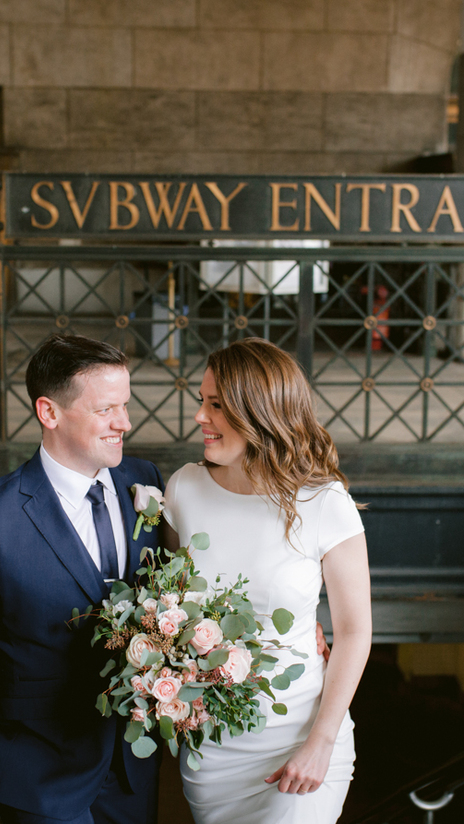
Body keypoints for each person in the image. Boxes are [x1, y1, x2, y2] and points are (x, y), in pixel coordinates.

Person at [0, 334, 164, 824]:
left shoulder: (144, 480)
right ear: (49, 412)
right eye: (105, 410)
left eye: (125, 405)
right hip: (37, 770)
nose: (124, 423)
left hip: (132, 767)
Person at [162, 338, 372, 824]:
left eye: (217, 405)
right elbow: (168, 604)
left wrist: (321, 743)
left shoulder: (324, 503)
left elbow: (355, 631)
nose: (199, 416)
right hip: (212, 751)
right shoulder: (184, 488)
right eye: (202, 401)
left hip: (301, 738)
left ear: (259, 412)